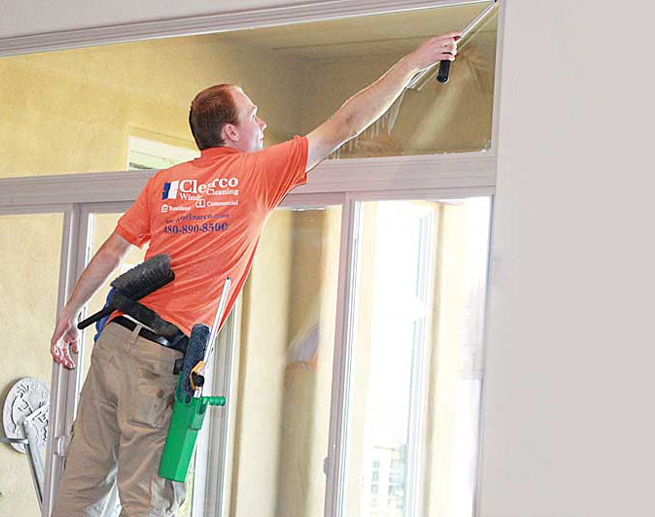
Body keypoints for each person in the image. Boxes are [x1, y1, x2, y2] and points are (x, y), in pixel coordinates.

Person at [49, 32, 461, 516]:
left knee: (81, 488)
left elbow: (113, 251)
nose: (262, 123)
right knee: (147, 500)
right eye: (253, 115)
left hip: (113, 341)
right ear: (229, 132)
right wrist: (413, 62)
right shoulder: (257, 173)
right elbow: (347, 122)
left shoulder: (167, 181)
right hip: (157, 361)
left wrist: (68, 313)